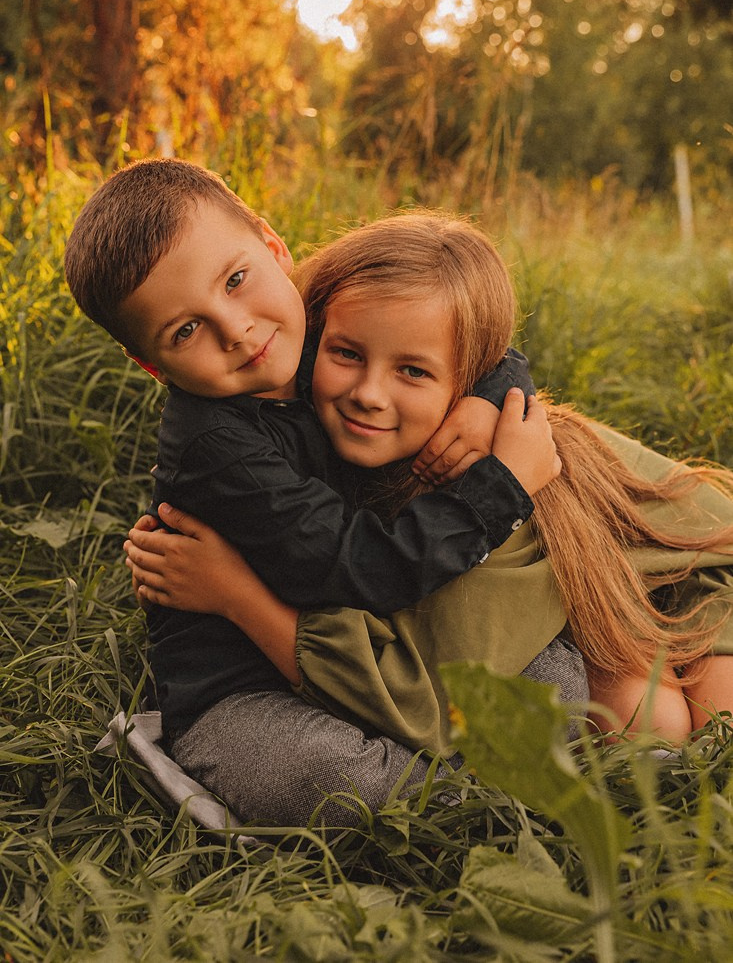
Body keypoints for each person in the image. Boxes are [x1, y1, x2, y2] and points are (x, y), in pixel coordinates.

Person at [65, 160, 578, 826]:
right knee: (329, 779)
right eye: (186, 330)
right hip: (253, 685)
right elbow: (362, 568)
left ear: (272, 245)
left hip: (383, 641)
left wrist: (487, 397)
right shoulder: (214, 446)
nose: (238, 330)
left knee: (559, 688)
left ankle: (484, 772)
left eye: (236, 280)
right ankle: (479, 796)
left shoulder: (313, 325)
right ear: (151, 364)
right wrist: (500, 485)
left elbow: (448, 325)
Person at [126, 214, 733, 755]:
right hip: (452, 605)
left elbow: (478, 345)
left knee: (674, 719)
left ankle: (652, 630)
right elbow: (363, 575)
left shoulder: (475, 450)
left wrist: (489, 399)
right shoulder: (271, 365)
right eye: (346, 355)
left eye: (413, 371)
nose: (368, 392)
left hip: (648, 541)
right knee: (641, 723)